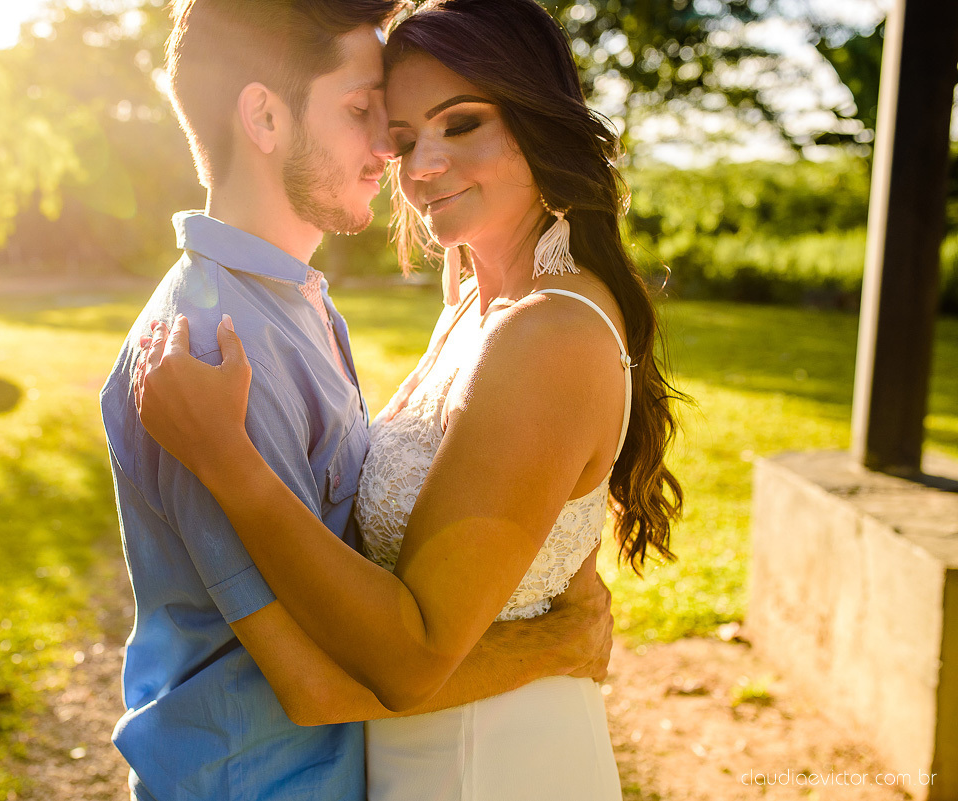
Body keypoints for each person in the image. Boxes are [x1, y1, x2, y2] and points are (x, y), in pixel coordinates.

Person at [132, 0, 686, 799]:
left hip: (491, 766)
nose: (419, 165)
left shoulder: (548, 334)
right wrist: (551, 636)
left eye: (461, 124)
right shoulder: (471, 300)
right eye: (401, 135)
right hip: (420, 756)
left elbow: (413, 654)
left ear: (537, 117)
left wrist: (229, 460)